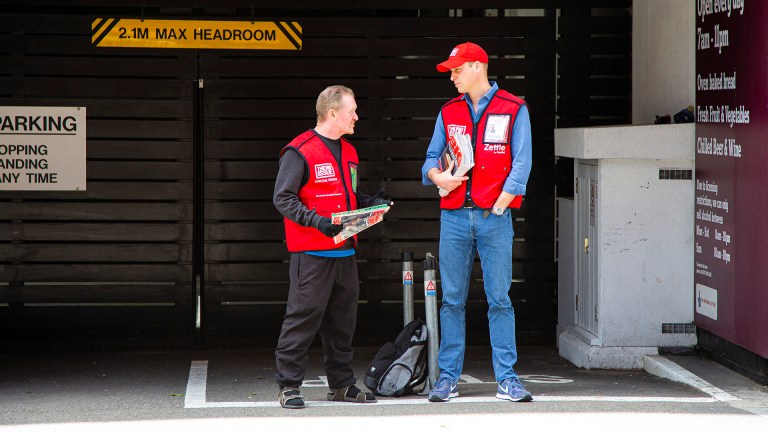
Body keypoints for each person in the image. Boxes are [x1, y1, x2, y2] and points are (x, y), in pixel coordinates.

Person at [421, 42, 533, 403]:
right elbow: (429, 160)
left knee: (499, 299)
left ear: (477, 67)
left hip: (493, 217)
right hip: (453, 217)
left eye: (456, 70)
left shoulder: (514, 108)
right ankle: (447, 378)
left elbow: (522, 160)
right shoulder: (448, 110)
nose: (452, 77)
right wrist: (438, 178)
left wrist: (503, 201)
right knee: (451, 300)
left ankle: (507, 378)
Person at [273, 85, 390, 409]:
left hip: (345, 252)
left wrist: (368, 203)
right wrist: (316, 221)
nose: (356, 116)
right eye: (352, 110)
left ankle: (341, 384)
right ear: (333, 113)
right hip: (311, 253)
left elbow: (347, 194)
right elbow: (282, 198)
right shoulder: (299, 150)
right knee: (302, 318)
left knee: (342, 322)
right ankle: (288, 386)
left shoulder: (350, 151)